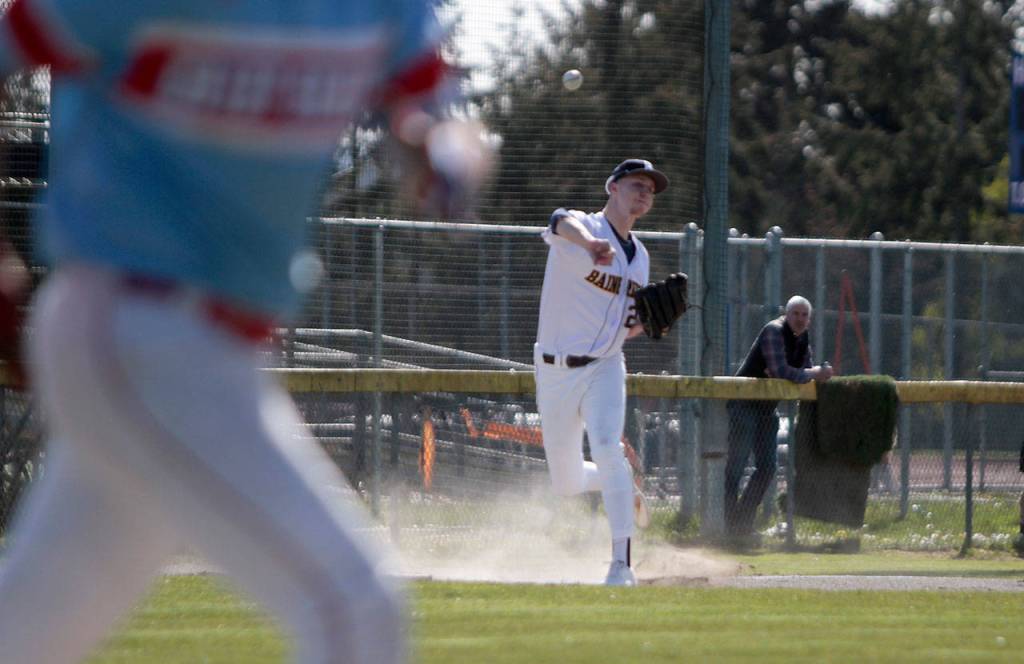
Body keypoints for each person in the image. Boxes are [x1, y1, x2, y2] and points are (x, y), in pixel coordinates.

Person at [0, 1, 489, 663]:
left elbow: (434, 121)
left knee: (31, 629)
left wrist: (443, 151)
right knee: (355, 610)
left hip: (215, 352)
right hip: (133, 324)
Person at [533, 158, 668, 587]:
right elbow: (557, 221)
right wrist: (590, 245)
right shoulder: (583, 228)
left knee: (608, 447)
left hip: (607, 366)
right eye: (635, 184)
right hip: (555, 369)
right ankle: (623, 488)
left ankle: (620, 566)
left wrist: (648, 323)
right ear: (612, 187)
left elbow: (624, 328)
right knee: (567, 483)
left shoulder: (640, 258)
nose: (644, 192)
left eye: (650, 189)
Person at [725, 295, 833, 540]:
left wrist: (809, 373)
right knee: (736, 468)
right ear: (786, 314)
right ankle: (727, 527)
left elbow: (801, 372)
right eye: (795, 313)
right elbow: (781, 371)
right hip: (744, 405)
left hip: (766, 409)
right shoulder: (773, 331)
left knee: (767, 467)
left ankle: (742, 525)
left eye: (804, 315)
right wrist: (811, 372)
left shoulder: (802, 339)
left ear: (809, 320)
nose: (799, 319)